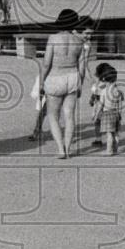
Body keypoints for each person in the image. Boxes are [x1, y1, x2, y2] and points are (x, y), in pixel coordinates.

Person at [41, 9, 86, 159]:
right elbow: (82, 67)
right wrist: (81, 84)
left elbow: (46, 63)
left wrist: (41, 82)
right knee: (69, 116)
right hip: (72, 76)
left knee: (53, 116)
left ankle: (60, 149)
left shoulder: (53, 38)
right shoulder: (79, 41)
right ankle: (68, 148)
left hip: (55, 76)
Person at [95, 65, 123, 156]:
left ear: (103, 78)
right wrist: (120, 113)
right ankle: (115, 149)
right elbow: (120, 104)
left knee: (109, 134)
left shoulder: (103, 91)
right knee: (116, 133)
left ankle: (109, 150)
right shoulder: (117, 91)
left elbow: (100, 104)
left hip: (107, 113)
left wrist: (96, 115)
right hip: (116, 113)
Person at [87, 62, 114, 148]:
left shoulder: (98, 85)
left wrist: (91, 101)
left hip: (99, 107)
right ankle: (112, 141)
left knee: (97, 123)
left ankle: (98, 139)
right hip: (109, 107)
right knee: (110, 126)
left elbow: (95, 95)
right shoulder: (110, 84)